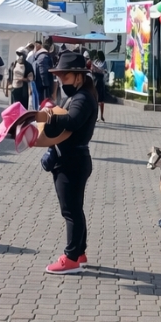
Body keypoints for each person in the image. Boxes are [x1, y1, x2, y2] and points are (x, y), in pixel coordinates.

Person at [39, 51, 98, 274]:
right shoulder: (77, 96)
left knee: (70, 211)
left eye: (65, 76)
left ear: (78, 76)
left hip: (72, 161)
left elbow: (72, 121)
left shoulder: (82, 98)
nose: (61, 80)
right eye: (59, 76)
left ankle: (71, 257)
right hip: (72, 159)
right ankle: (79, 252)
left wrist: (47, 116)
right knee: (75, 209)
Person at [32, 39, 53, 104]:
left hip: (38, 82)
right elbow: (42, 72)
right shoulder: (44, 57)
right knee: (44, 102)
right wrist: (46, 86)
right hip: (43, 84)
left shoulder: (40, 56)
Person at [91, 50, 108, 122]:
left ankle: (101, 115)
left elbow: (105, 71)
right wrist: (93, 69)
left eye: (98, 55)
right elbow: (92, 69)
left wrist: (99, 70)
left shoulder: (104, 62)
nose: (97, 57)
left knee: (101, 100)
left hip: (100, 81)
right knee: (96, 100)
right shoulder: (95, 61)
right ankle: (96, 116)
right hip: (95, 81)